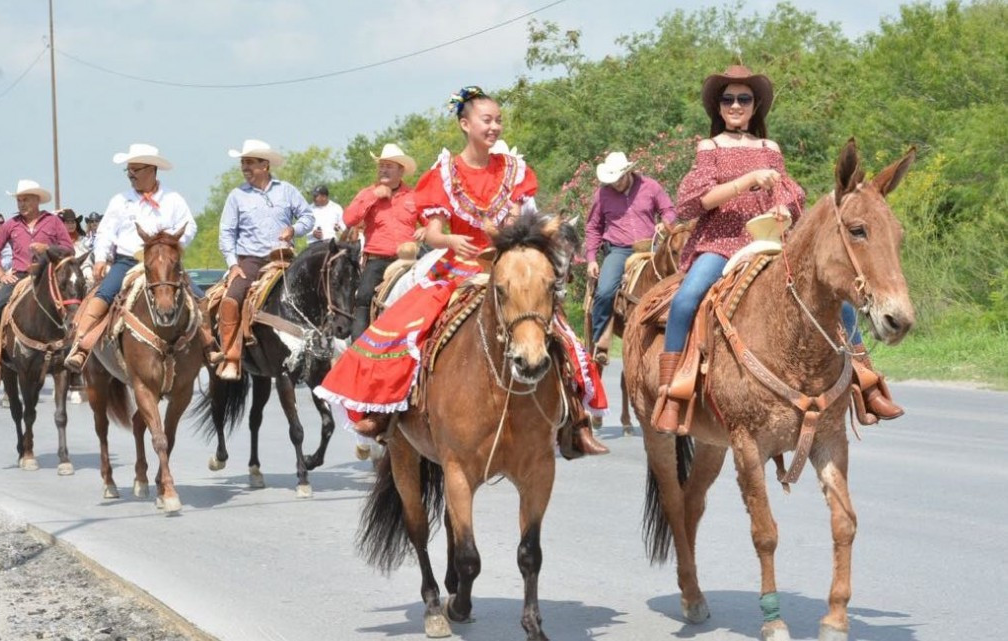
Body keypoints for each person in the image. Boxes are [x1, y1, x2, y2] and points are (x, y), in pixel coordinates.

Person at [314, 86, 608, 456]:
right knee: (408, 324)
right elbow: (434, 234)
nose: (495, 126)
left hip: (508, 263)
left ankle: (575, 419)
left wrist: (518, 241)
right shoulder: (444, 173)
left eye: (499, 120)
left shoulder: (515, 171)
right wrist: (452, 243)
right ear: (465, 124)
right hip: (459, 264)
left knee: (557, 325)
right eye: (487, 120)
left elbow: (518, 224)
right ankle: (384, 411)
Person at [654, 65, 902, 433]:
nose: (735, 105)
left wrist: (784, 207)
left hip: (770, 240)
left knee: (838, 296)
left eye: (744, 99)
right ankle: (674, 392)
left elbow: (789, 193)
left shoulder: (770, 149)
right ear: (718, 108)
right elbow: (696, 201)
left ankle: (866, 381)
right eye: (728, 99)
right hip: (721, 242)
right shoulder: (710, 147)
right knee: (687, 299)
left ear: (755, 107)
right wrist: (747, 181)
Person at [64, 143, 222, 372]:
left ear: (152, 169)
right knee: (104, 293)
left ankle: (210, 345)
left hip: (165, 265)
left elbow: (190, 227)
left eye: (136, 169)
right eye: (129, 170)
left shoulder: (173, 198)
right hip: (127, 262)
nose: (131, 174)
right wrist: (100, 258)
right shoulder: (120, 200)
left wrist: (172, 248)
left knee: (200, 299)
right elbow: (106, 232)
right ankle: (81, 346)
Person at [214, 139, 316, 381]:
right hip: (251, 260)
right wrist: (233, 264)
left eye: (250, 163)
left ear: (265, 165)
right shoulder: (236, 195)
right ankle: (230, 356)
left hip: (283, 258)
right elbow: (226, 232)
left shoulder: (287, 191)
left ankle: (320, 349)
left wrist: (294, 229)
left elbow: (308, 217)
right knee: (230, 299)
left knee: (316, 293)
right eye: (243, 163)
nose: (245, 168)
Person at [585, 151, 676, 363]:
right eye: (612, 179)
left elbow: (669, 210)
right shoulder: (602, 195)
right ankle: (601, 342)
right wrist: (591, 259)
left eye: (618, 178)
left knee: (677, 282)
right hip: (618, 249)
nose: (615, 183)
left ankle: (677, 337)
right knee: (606, 290)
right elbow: (593, 227)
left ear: (628, 172)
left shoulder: (650, 186)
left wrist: (666, 222)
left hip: (651, 247)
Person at [0, 179, 72, 387]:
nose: (21, 204)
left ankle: (76, 358)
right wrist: (1, 274)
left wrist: (47, 250)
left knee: (73, 304)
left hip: (49, 277)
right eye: (19, 200)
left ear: (37, 200)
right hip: (21, 277)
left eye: (26, 200)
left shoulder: (53, 222)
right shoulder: (10, 225)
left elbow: (69, 249)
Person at [342, 142, 418, 341]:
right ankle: (357, 349)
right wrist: (373, 197)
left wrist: (426, 229)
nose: (383, 169)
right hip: (378, 259)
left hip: (410, 259)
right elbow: (349, 219)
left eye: (389, 166)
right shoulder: (368, 193)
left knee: (429, 291)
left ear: (401, 170)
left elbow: (431, 222)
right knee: (364, 297)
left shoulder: (413, 196)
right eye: (381, 165)